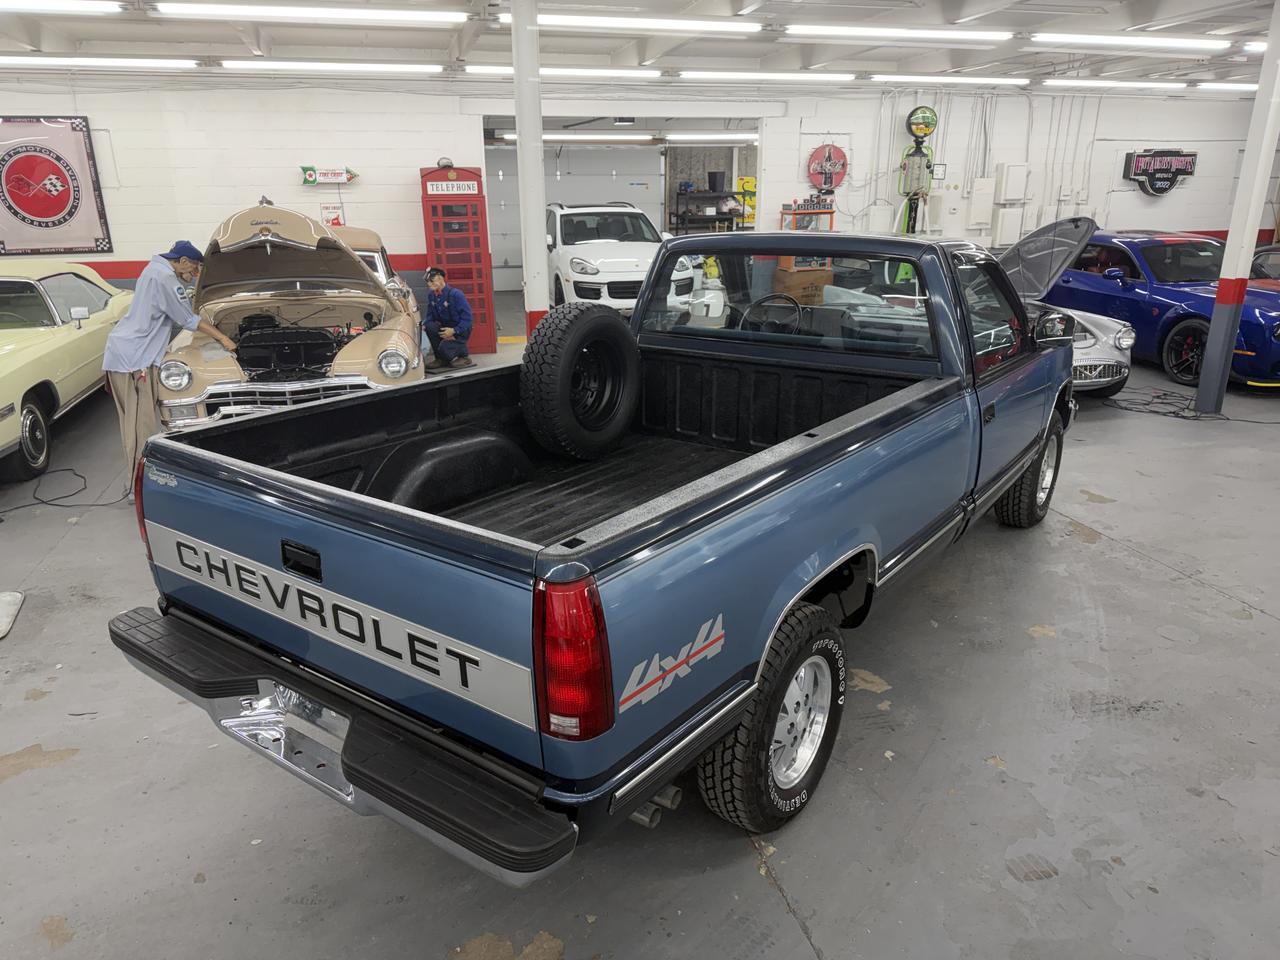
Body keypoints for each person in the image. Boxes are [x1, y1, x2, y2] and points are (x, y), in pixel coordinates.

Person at [102, 241, 236, 490]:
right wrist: (223, 337)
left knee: (131, 423)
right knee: (139, 425)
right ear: (183, 261)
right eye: (194, 268)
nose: (194, 274)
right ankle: (140, 486)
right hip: (135, 359)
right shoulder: (166, 278)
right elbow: (187, 319)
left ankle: (137, 480)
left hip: (127, 352)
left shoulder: (153, 269)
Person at [422, 267, 475, 370]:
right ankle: (440, 359)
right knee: (429, 326)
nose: (429, 284)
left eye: (432, 281)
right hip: (445, 327)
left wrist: (454, 331)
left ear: (441, 279)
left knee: (446, 352)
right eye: (427, 281)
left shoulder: (456, 294)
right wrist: (425, 325)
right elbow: (430, 315)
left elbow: (468, 319)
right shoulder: (431, 295)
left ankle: (464, 356)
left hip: (459, 329)